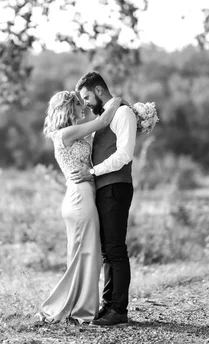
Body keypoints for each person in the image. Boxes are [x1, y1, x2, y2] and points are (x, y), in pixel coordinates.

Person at [38, 90, 122, 324]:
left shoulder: (73, 134)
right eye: (78, 104)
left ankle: (78, 308)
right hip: (80, 197)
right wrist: (119, 101)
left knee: (85, 255)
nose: (82, 107)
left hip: (83, 195)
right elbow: (103, 121)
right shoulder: (66, 133)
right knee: (87, 255)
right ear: (67, 108)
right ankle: (81, 311)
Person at [71, 71, 137, 327]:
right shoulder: (107, 116)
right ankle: (108, 305)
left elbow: (124, 155)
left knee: (116, 250)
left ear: (98, 90)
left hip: (116, 187)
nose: (85, 103)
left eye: (87, 97)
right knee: (107, 251)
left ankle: (119, 310)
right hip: (105, 188)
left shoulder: (123, 114)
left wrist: (92, 171)